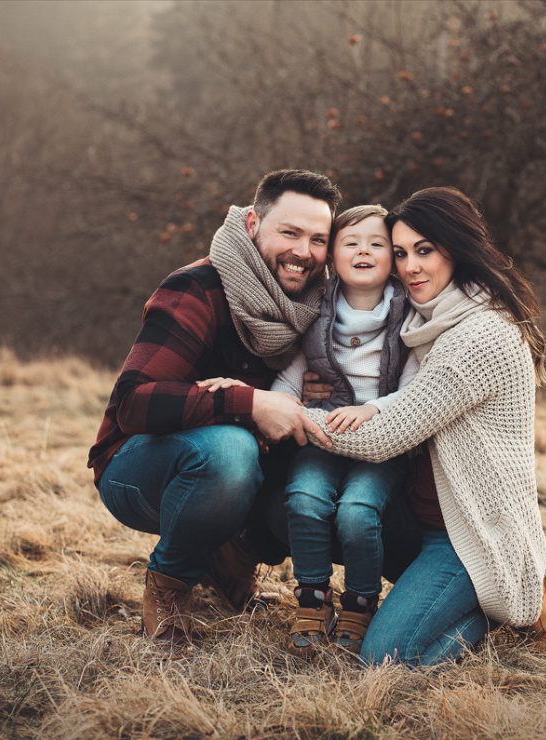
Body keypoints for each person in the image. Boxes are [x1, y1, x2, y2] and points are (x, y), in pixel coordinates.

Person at [301, 186, 546, 666]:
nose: (410, 267)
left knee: (387, 657)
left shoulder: (479, 335)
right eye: (401, 253)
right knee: (310, 503)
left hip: (471, 533)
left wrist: (287, 416)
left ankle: (503, 597)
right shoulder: (425, 320)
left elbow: (385, 436)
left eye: (424, 251)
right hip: (419, 512)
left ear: (457, 250)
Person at [87, 169, 341, 643]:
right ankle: (169, 585)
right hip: (139, 470)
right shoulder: (197, 289)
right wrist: (249, 402)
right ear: (252, 224)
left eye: (317, 239)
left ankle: (236, 558)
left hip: (249, 473)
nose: (303, 252)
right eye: (289, 233)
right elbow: (134, 404)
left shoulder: (318, 306)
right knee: (228, 450)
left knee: (311, 482)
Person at [269, 205, 417, 655]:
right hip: (324, 434)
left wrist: (373, 410)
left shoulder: (408, 314)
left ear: (393, 258)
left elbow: (417, 390)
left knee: (357, 511)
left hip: (382, 443)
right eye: (351, 243)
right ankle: (313, 600)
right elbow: (293, 375)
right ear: (332, 257)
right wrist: (278, 407)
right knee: (304, 498)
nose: (363, 252)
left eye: (376, 244)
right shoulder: (318, 311)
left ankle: (360, 603)